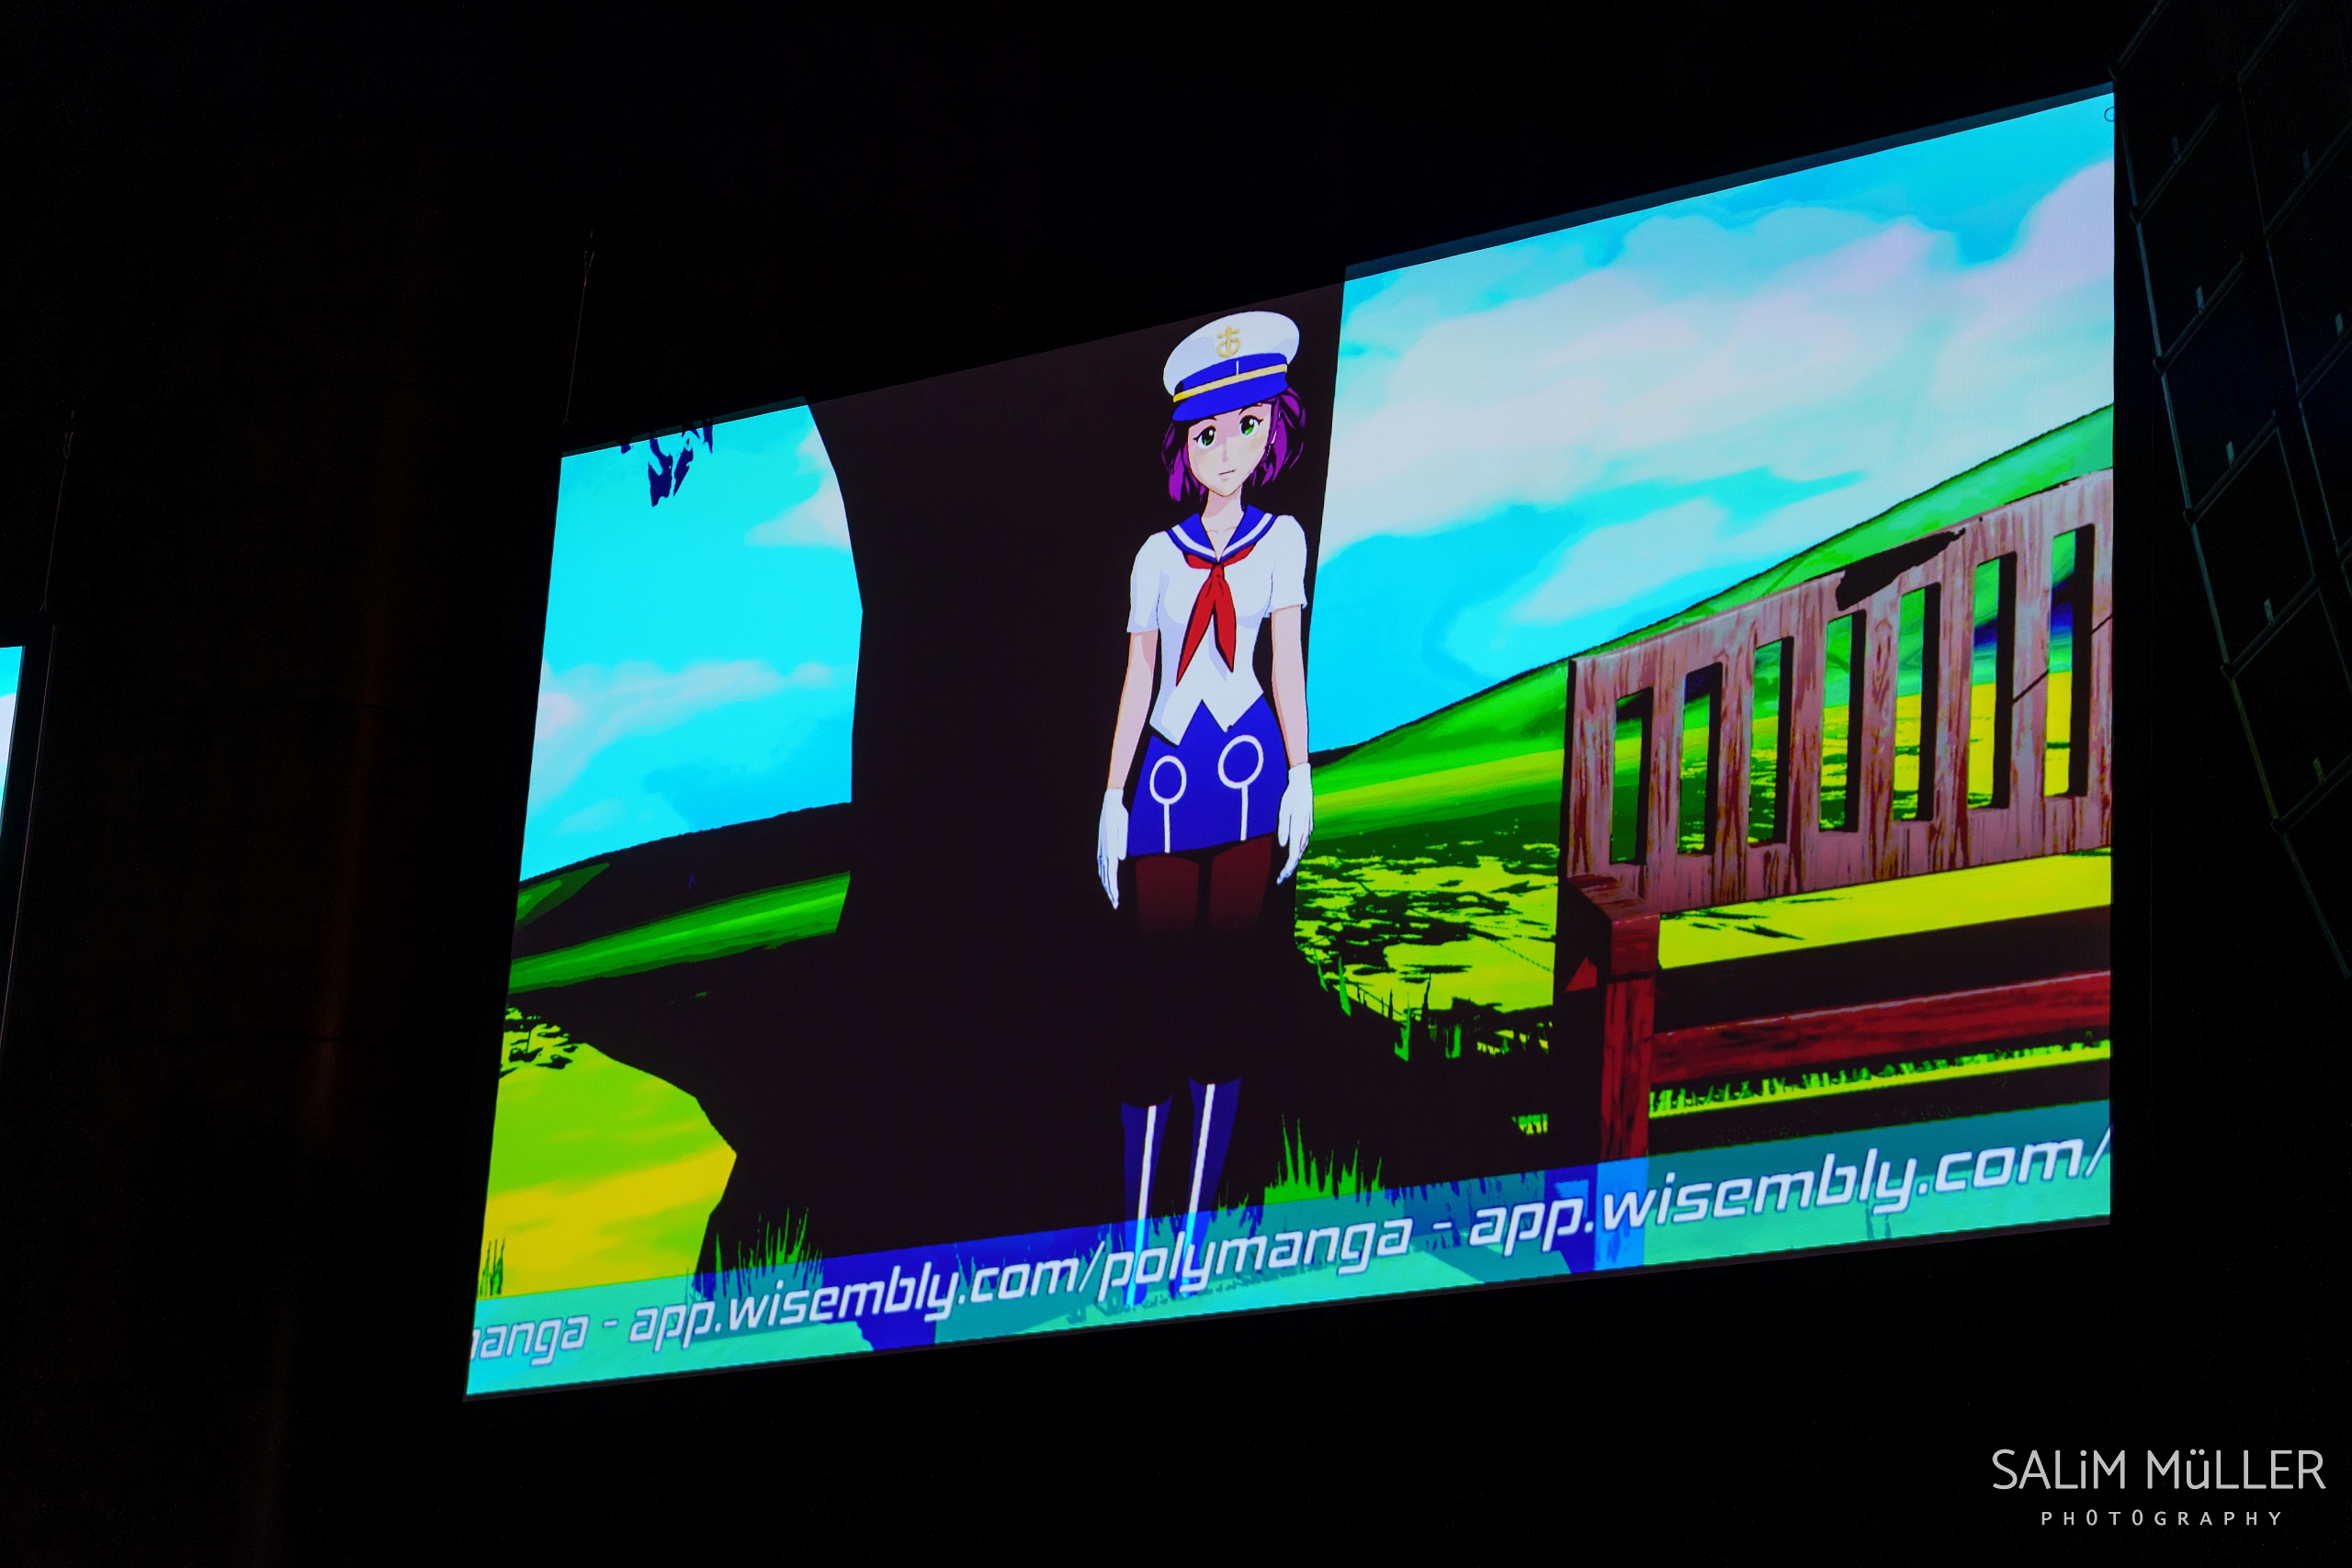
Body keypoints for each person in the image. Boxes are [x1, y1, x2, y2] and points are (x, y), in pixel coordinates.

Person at [1095, 310, 1314, 1268]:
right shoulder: (1155, 555)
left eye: (1248, 426)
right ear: (1185, 443)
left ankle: (1190, 1237)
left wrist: (1300, 774)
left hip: (1247, 776)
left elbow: (1286, 659)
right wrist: (1113, 798)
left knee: (1223, 1002)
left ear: (1272, 429)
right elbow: (1137, 676)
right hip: (1167, 780)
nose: (1229, 449)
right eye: (1210, 432)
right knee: (1149, 1003)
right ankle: (1136, 1235)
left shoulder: (1281, 541)